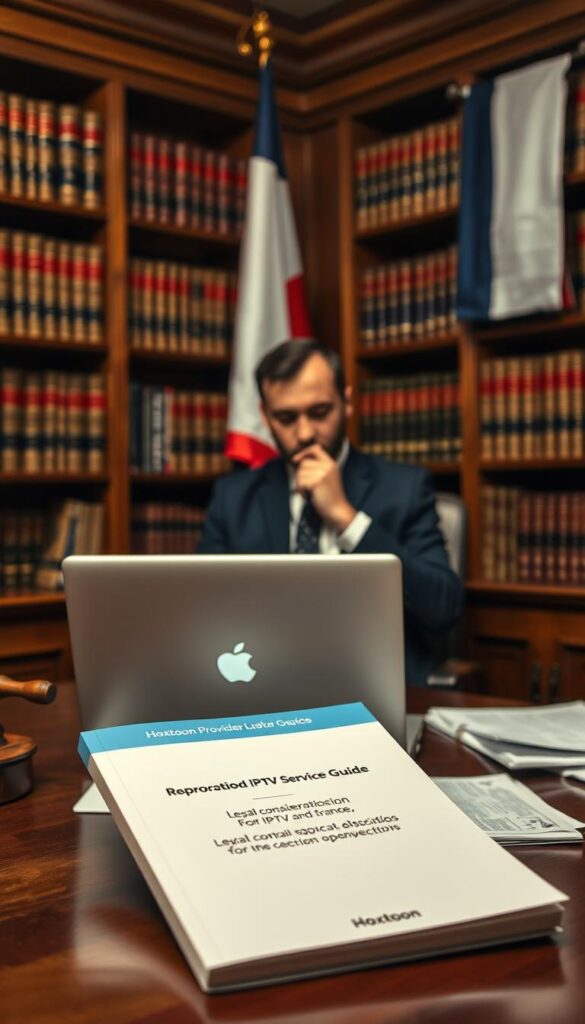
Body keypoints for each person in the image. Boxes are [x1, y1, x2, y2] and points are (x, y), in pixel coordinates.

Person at [198, 338, 464, 685]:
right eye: (286, 418)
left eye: (320, 412)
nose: (305, 433)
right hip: (263, 688)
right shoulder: (234, 497)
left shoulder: (405, 488)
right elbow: (201, 613)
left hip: (373, 687)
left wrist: (347, 519)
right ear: (265, 416)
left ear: (347, 402)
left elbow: (443, 609)